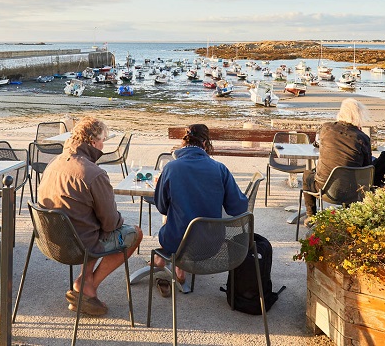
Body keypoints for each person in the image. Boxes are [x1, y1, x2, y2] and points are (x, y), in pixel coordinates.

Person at [38, 117, 143, 317]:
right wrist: (117, 220)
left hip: (50, 241)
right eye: (103, 139)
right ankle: (87, 286)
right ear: (93, 142)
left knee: (90, 224)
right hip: (78, 246)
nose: (103, 145)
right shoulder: (94, 173)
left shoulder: (54, 163)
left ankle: (83, 281)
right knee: (134, 233)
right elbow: (111, 223)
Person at [152, 123, 248, 297]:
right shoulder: (220, 169)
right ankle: (178, 267)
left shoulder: (171, 168)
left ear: (183, 143)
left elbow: (161, 207)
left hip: (177, 243)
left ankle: (168, 261)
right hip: (212, 244)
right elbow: (238, 208)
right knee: (186, 221)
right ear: (205, 144)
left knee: (172, 221)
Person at [303, 98, 373, 217]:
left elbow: (321, 146)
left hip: (324, 188)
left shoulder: (326, 128)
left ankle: (311, 215)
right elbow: (366, 166)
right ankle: (350, 215)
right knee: (352, 173)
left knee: (307, 175)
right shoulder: (362, 138)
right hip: (352, 192)